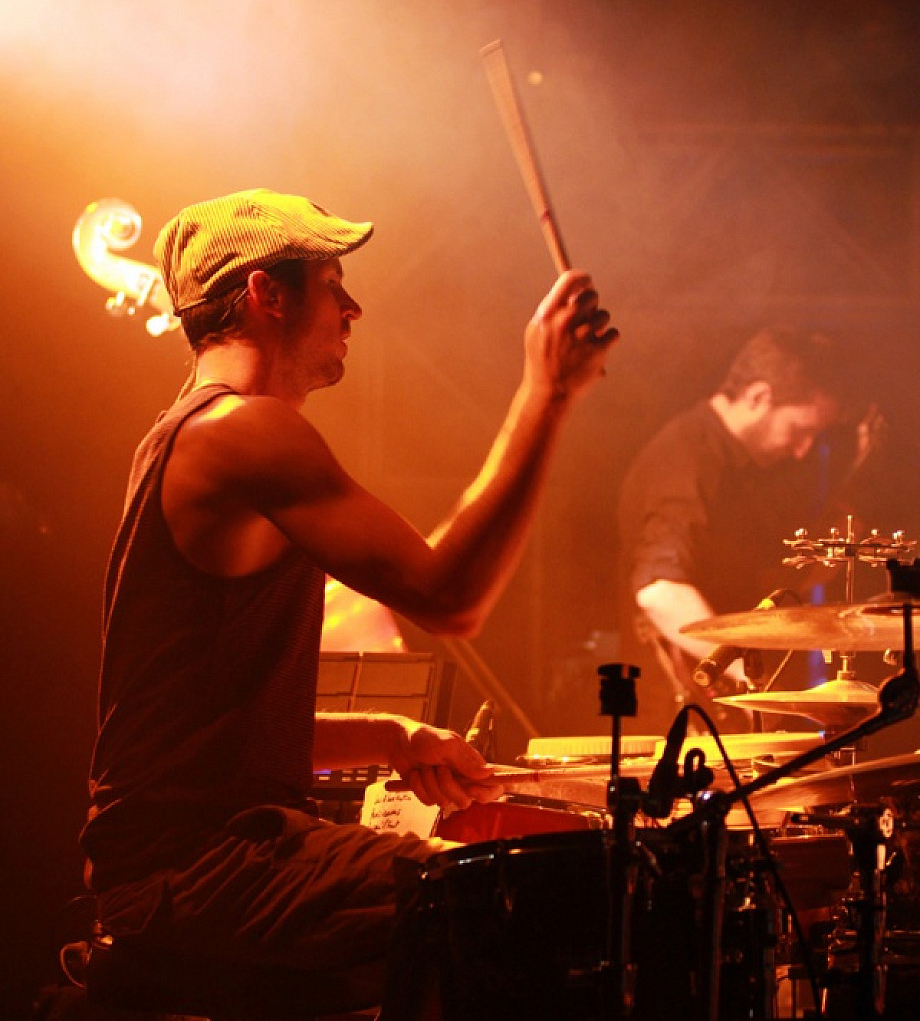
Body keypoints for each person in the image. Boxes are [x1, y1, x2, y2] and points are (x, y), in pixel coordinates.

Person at [79, 187, 616, 1013]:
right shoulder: (242, 433)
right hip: (201, 869)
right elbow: (451, 598)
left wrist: (389, 735)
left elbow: (199, 734)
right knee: (523, 907)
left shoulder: (179, 435)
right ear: (267, 294)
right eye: (333, 284)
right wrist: (546, 393)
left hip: (191, 861)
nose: (353, 308)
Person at [616, 327, 845, 736]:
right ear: (758, 397)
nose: (802, 450)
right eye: (799, 430)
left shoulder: (741, 468)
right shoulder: (688, 458)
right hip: (680, 722)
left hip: (713, 714)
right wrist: (751, 678)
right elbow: (660, 591)